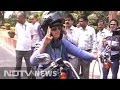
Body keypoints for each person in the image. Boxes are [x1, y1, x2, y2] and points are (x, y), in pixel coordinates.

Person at [30, 11, 98, 78]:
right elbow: (33, 61)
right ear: (46, 31)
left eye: (59, 28)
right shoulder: (41, 44)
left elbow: (79, 52)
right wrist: (44, 44)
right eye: (54, 29)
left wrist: (94, 56)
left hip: (63, 75)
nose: (57, 31)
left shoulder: (63, 42)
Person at [15, 12, 34, 79]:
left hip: (27, 50)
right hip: (19, 49)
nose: (17, 19)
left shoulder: (30, 26)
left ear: (22, 17)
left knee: (29, 66)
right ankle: (17, 77)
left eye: (18, 17)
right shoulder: (17, 25)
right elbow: (17, 35)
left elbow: (32, 36)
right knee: (18, 65)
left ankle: (29, 77)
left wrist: (27, 42)